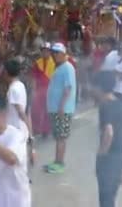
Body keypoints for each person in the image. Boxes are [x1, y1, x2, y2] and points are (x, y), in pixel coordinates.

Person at [94, 72, 122, 207]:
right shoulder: (121, 105)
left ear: (100, 87)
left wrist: (101, 155)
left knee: (105, 200)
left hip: (109, 160)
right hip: (120, 159)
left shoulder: (105, 106)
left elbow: (109, 132)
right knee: (111, 199)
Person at [44, 42, 77, 174]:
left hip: (62, 109)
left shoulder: (67, 67)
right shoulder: (60, 67)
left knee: (61, 137)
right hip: (56, 108)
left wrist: (62, 107)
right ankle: (56, 160)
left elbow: (68, 88)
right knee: (58, 136)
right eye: (53, 53)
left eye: (57, 53)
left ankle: (60, 163)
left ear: (63, 54)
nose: (54, 55)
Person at [30, 43, 54, 137]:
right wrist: (33, 90)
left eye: (47, 51)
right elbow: (34, 78)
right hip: (40, 90)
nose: (45, 52)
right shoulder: (37, 63)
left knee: (48, 110)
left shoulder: (54, 62)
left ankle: (46, 130)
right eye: (43, 51)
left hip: (51, 90)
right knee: (36, 110)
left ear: (50, 52)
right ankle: (36, 129)